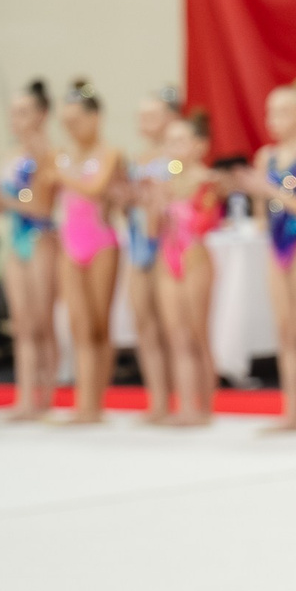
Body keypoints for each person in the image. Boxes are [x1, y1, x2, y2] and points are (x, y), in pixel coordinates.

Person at [239, 76, 296, 431]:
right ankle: (291, 408)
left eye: (283, 111)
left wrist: (269, 191)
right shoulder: (266, 156)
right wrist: (261, 203)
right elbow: (263, 213)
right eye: (270, 111)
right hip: (277, 246)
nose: (273, 118)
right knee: (285, 328)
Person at [49, 79, 123, 421]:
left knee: (98, 323)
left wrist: (62, 174)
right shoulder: (61, 157)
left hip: (101, 241)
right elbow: (39, 196)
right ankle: (83, 403)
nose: (72, 129)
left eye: (77, 121)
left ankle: (98, 401)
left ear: (95, 119)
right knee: (76, 324)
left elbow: (95, 188)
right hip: (70, 242)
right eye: (66, 123)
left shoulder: (109, 154)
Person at [0, 81, 59, 419]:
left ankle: (46, 395)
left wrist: (4, 199)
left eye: (23, 112)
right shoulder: (10, 155)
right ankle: (25, 397)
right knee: (21, 323)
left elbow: (42, 206)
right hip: (15, 241)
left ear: (41, 115)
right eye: (13, 112)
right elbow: (12, 205)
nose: (15, 119)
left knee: (42, 320)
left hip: (40, 240)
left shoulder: (47, 155)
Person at [155, 109, 225, 425]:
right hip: (169, 257)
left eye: (181, 140)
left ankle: (205, 407)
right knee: (177, 337)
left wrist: (187, 202)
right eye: (170, 142)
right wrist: (154, 203)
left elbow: (209, 221)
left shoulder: (207, 181)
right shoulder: (164, 184)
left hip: (195, 257)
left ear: (198, 146)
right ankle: (184, 405)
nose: (175, 147)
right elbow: (150, 228)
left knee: (197, 334)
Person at [120, 91, 179, 425]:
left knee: (170, 323)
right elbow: (128, 201)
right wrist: (125, 196)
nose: (145, 123)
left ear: (170, 117)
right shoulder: (137, 159)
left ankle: (178, 395)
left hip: (167, 243)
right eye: (141, 117)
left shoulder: (175, 157)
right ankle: (157, 398)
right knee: (144, 321)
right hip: (139, 241)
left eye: (152, 116)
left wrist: (155, 193)